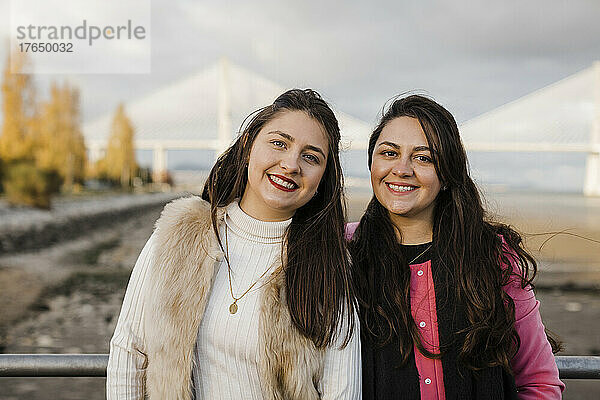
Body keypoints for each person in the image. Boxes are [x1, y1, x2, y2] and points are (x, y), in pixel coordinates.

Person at [107, 89, 361, 399]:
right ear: (249, 145)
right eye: (279, 143)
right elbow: (129, 351)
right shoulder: (179, 233)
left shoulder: (329, 267)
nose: (291, 164)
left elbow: (342, 391)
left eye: (311, 157)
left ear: (324, 177)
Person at [347, 94, 564, 399]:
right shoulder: (343, 253)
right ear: (372, 162)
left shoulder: (492, 255)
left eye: (423, 157)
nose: (402, 169)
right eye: (389, 153)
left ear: (447, 173)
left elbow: (539, 382)